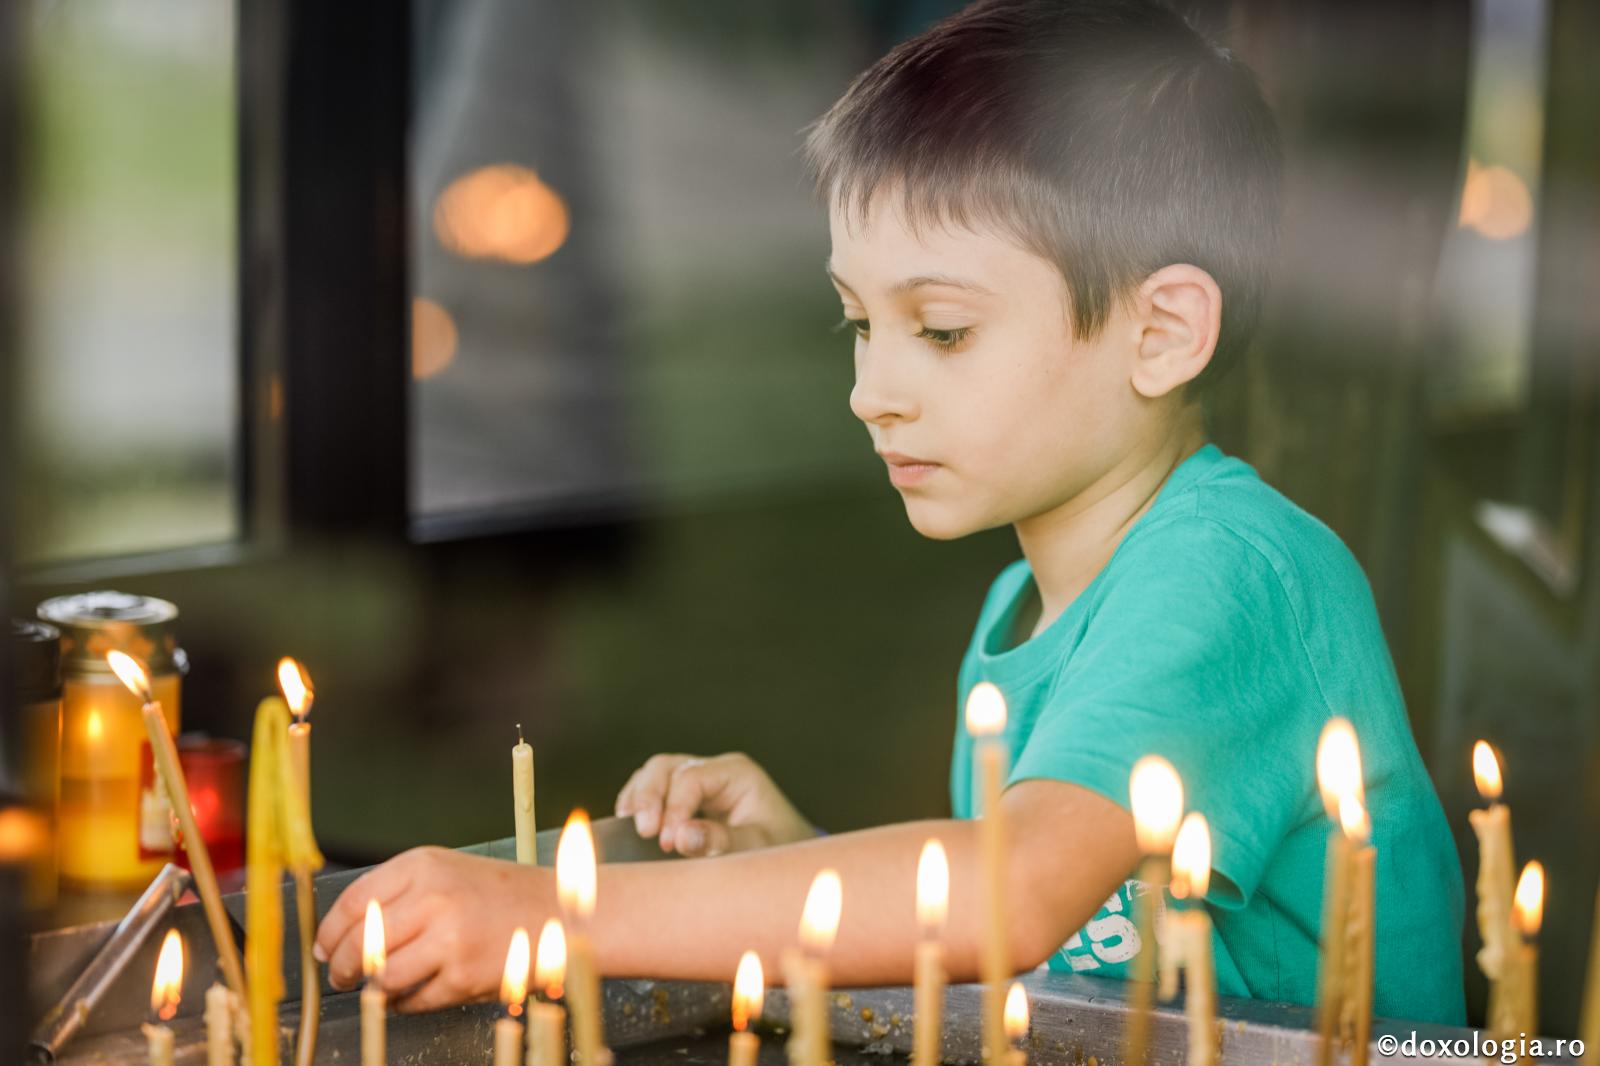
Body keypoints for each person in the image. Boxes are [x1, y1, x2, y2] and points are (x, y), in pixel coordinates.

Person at [315, 0, 1466, 1025]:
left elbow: (1007, 894)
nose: (871, 392)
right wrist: (797, 859)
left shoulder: (1230, 578)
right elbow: (1027, 958)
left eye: (943, 331)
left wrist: (554, 912)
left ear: (1160, 332)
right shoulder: (1025, 604)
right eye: (859, 324)